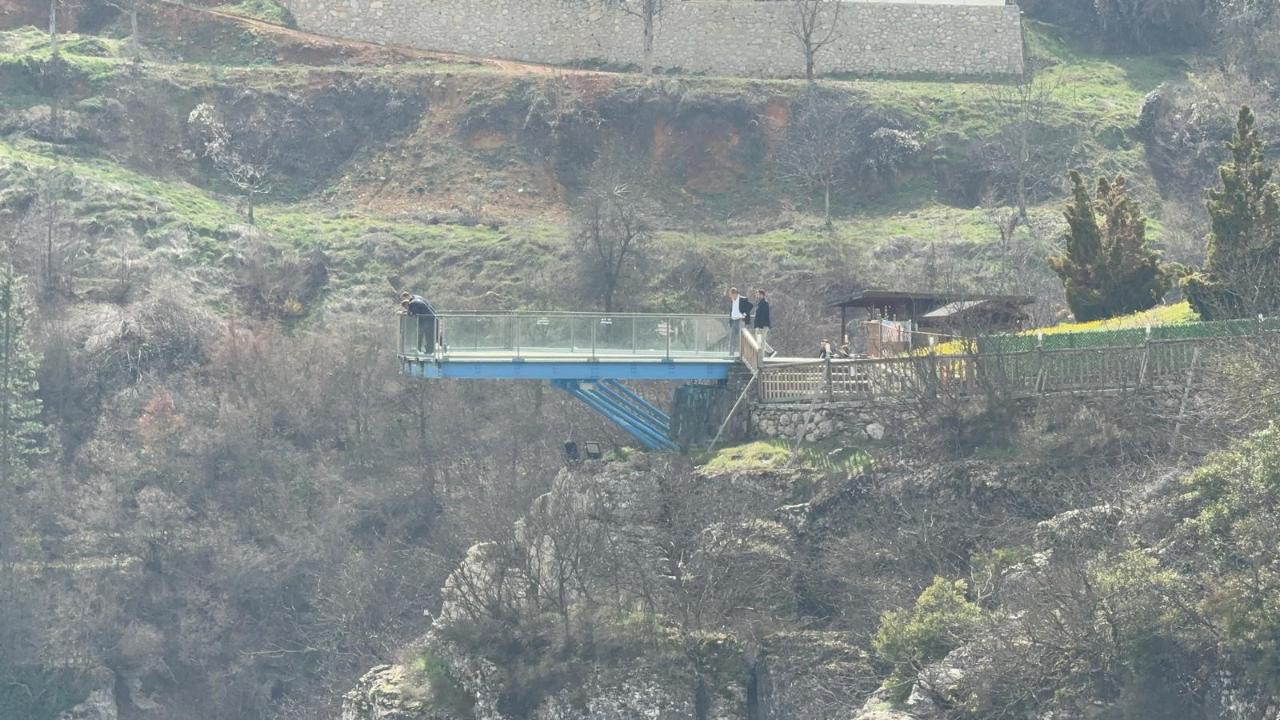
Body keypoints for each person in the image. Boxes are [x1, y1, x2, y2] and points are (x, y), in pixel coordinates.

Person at [752, 289, 776, 357]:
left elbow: (764, 315)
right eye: (757, 294)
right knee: (759, 340)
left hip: (762, 326)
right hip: (759, 325)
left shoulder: (764, 303)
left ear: (762, 295)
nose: (757, 296)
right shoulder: (759, 303)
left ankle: (761, 356)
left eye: (758, 294)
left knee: (761, 341)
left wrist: (761, 326)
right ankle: (771, 351)